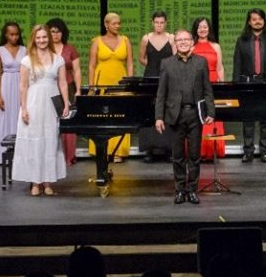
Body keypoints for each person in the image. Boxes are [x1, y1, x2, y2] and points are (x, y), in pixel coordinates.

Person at [155, 29, 215, 204]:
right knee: (178, 155)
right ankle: (180, 190)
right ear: (175, 43)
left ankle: (192, 190)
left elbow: (207, 90)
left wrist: (210, 112)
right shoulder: (167, 63)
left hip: (195, 114)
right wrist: (159, 117)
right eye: (179, 40)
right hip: (175, 114)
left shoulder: (201, 62)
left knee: (195, 155)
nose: (182, 42)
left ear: (191, 42)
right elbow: (161, 93)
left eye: (186, 39)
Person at [11, 24, 70, 195]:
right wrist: (24, 108)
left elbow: (63, 83)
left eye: (45, 37)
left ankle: (48, 182)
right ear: (34, 40)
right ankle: (35, 183)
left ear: (48, 39)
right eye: (39, 38)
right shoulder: (27, 60)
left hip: (51, 104)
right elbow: (22, 86)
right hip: (33, 103)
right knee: (34, 141)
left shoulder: (57, 59)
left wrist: (66, 103)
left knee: (50, 141)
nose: (42, 40)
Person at [232, 8, 266, 162]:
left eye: (260, 19)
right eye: (254, 19)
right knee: (248, 118)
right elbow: (237, 65)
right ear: (249, 22)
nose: (257, 21)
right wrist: (236, 86)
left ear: (264, 21)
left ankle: (265, 151)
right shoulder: (242, 41)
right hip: (248, 82)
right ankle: (248, 151)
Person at [88, 12, 134, 162]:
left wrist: (130, 82)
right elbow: (92, 65)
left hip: (120, 80)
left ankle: (118, 152)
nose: (117, 26)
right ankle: (102, 150)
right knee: (101, 115)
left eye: (119, 23)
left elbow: (130, 63)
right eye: (114, 23)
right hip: (102, 81)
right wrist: (91, 87)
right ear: (106, 25)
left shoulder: (125, 40)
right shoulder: (97, 41)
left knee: (120, 114)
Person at [138, 11, 176, 162]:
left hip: (168, 78)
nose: (159, 25)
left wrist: (165, 70)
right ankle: (149, 150)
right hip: (150, 77)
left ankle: (168, 149)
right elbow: (141, 58)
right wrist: (153, 66)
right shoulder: (146, 38)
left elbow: (175, 58)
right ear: (152, 22)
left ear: (166, 23)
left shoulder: (171, 38)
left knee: (168, 111)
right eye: (156, 22)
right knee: (149, 111)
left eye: (162, 22)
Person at [48, 18, 82, 166]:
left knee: (68, 121)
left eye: (58, 31)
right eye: (52, 32)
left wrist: (79, 90)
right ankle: (51, 156)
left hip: (67, 87)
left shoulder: (70, 49)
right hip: (49, 88)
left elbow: (77, 71)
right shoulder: (44, 49)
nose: (55, 35)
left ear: (63, 33)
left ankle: (69, 156)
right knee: (50, 122)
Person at [191, 16, 226, 161]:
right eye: (200, 27)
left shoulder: (216, 46)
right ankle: (198, 151)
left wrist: (223, 86)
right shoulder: (191, 46)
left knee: (212, 115)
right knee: (198, 116)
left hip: (213, 84)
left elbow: (220, 67)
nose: (202, 29)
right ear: (196, 29)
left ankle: (212, 150)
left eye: (205, 26)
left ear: (209, 28)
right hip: (196, 85)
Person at [0, 21, 26, 164]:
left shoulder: (25, 50)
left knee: (20, 116)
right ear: (6, 35)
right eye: (11, 34)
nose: (14, 37)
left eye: (17, 34)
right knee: (6, 118)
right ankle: (5, 155)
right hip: (6, 85)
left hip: (21, 83)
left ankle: (22, 155)